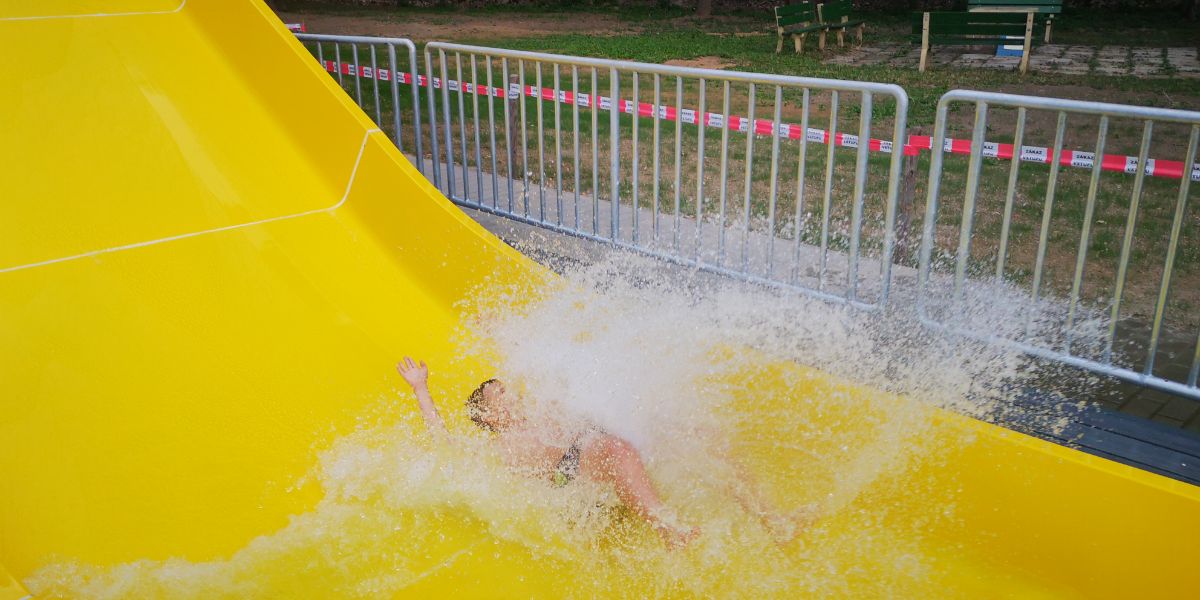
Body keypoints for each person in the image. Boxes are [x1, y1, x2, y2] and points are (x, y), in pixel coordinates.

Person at [396, 356, 809, 547]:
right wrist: (421, 388)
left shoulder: (541, 410)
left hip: (588, 446)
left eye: (505, 389)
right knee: (615, 448)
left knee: (694, 435)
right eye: (498, 395)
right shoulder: (502, 445)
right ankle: (669, 530)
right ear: (487, 416)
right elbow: (445, 444)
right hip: (570, 475)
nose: (509, 395)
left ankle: (772, 517)